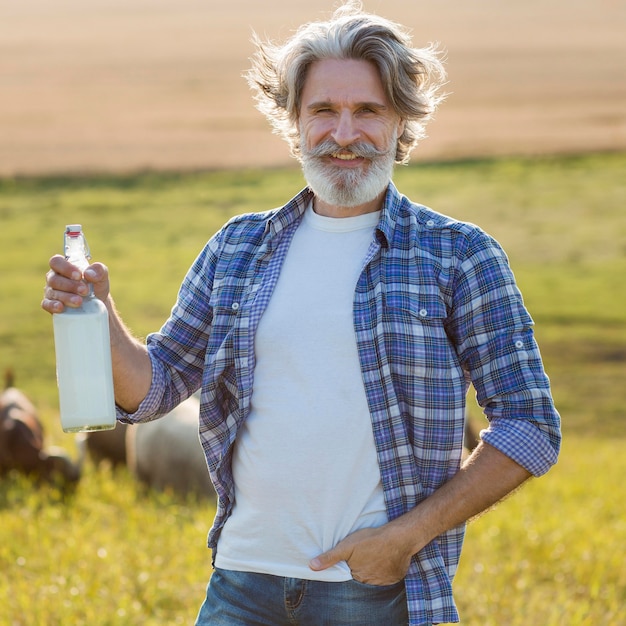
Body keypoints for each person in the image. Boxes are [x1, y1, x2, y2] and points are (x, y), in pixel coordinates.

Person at [42, 2, 561, 625]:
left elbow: (530, 424)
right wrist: (100, 317)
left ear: (401, 118)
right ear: (293, 120)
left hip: (374, 594)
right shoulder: (238, 247)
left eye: (367, 110)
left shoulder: (457, 256)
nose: (344, 134)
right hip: (240, 585)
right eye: (323, 111)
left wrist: (403, 540)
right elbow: (153, 389)